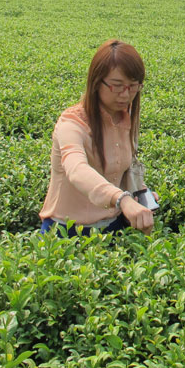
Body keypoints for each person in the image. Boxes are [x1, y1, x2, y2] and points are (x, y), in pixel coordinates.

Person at [39, 39, 157, 236]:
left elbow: (119, 172)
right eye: (117, 85)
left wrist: (139, 195)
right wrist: (122, 199)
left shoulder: (125, 119)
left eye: (133, 86)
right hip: (67, 231)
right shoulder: (72, 123)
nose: (126, 95)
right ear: (96, 82)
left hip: (113, 227)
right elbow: (77, 169)